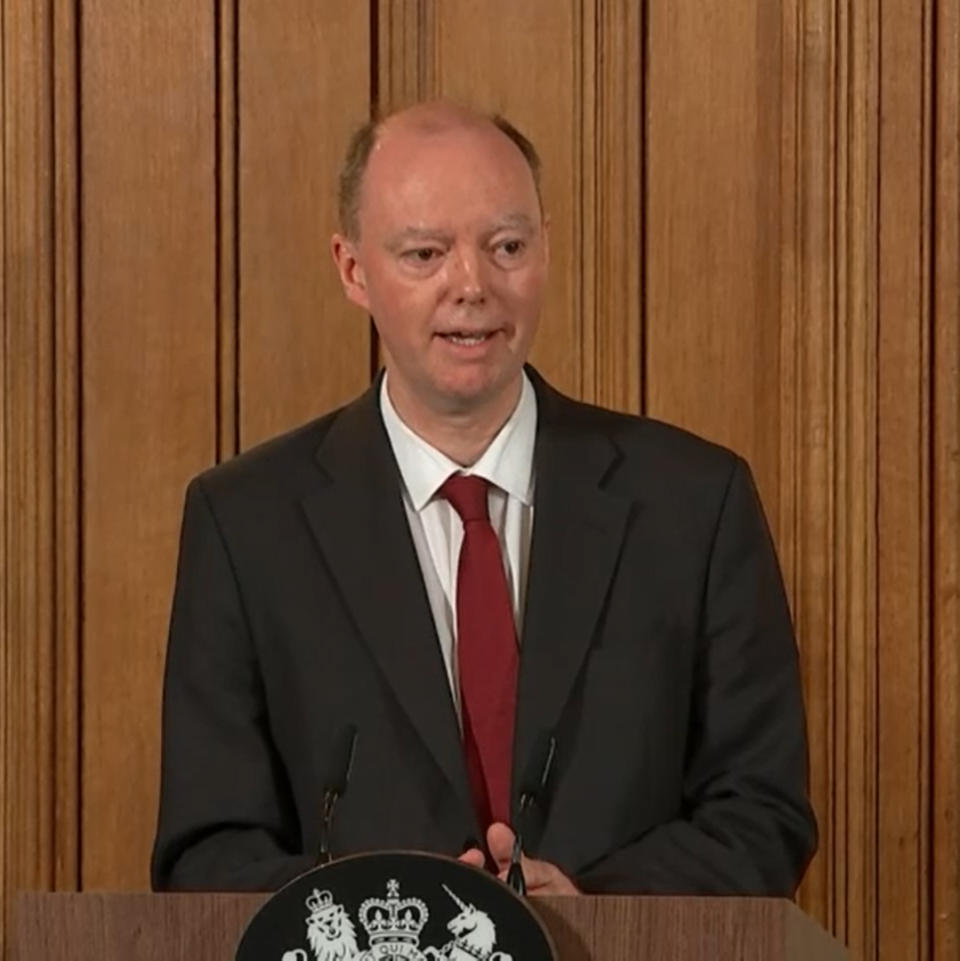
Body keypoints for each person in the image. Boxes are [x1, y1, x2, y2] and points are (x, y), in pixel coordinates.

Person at [150, 101, 816, 895]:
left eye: (506, 246)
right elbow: (206, 853)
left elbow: (763, 814)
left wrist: (591, 908)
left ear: (545, 248)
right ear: (352, 269)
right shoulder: (246, 524)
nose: (472, 286)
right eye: (426, 253)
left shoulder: (694, 504)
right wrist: (398, 923)